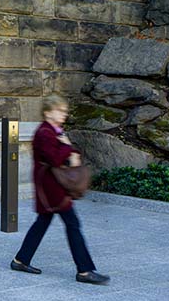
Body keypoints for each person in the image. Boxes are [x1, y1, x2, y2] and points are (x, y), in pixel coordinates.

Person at [10, 95, 110, 285]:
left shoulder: (54, 131)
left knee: (43, 222)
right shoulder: (44, 133)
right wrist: (66, 147)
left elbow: (68, 153)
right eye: (60, 110)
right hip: (50, 187)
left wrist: (68, 149)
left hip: (52, 185)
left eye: (65, 111)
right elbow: (55, 158)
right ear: (48, 112)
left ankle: (21, 260)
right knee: (72, 224)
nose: (64, 114)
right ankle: (85, 270)